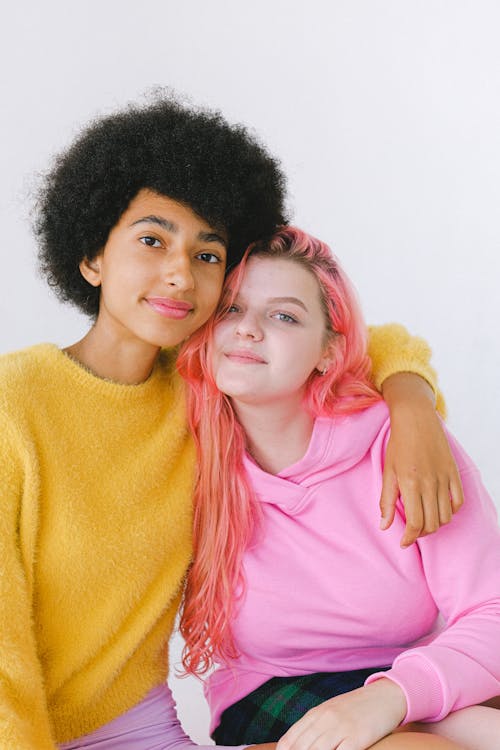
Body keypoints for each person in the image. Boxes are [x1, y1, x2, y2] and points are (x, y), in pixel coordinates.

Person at [0, 95, 459, 750]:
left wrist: (413, 405)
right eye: (152, 240)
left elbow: (354, 338)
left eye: (208, 255)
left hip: (154, 731)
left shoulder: (203, 390)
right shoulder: (14, 405)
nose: (179, 274)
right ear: (92, 256)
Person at [178, 226, 500, 750]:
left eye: (283, 315)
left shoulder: (400, 442)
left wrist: (392, 697)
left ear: (329, 351)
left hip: (411, 672)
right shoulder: (181, 445)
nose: (248, 330)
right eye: (231, 310)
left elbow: (492, 608)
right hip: (271, 690)